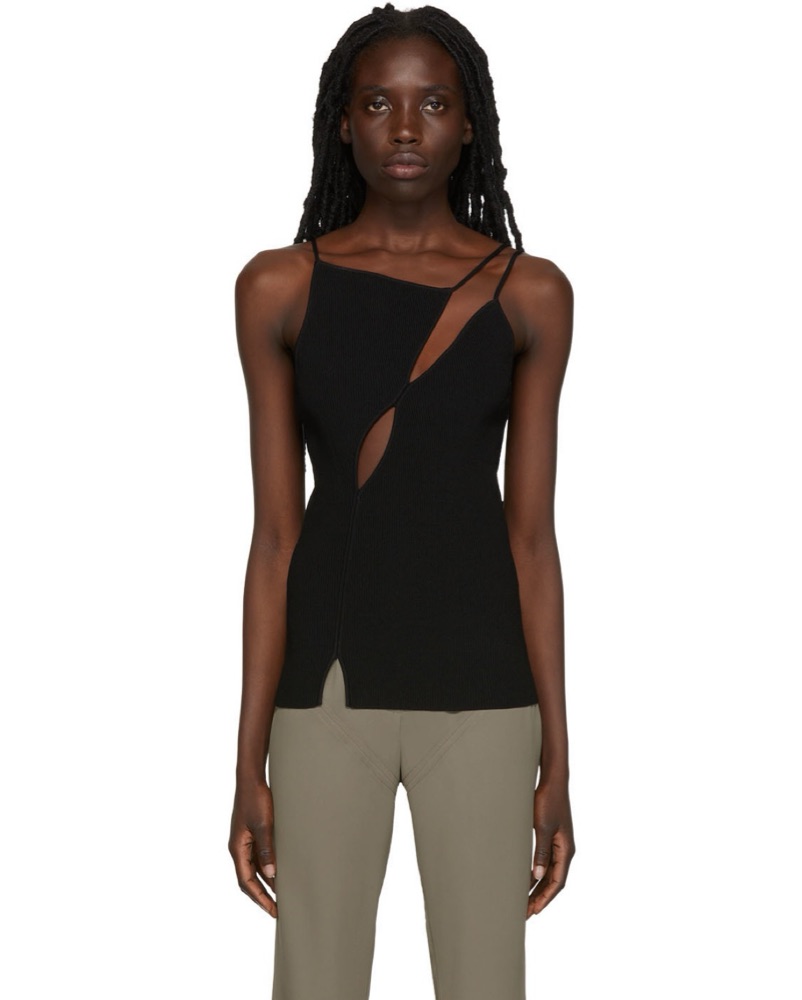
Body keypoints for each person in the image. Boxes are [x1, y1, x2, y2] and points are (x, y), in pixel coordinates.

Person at [229, 4, 575, 998]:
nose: (407, 127)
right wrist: (248, 758)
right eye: (379, 103)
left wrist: (558, 758)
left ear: (471, 124)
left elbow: (532, 541)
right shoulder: (278, 288)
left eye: (435, 102)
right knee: (315, 983)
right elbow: (275, 537)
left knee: (484, 984)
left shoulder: (531, 294)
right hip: (324, 699)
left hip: (486, 698)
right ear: (343, 122)